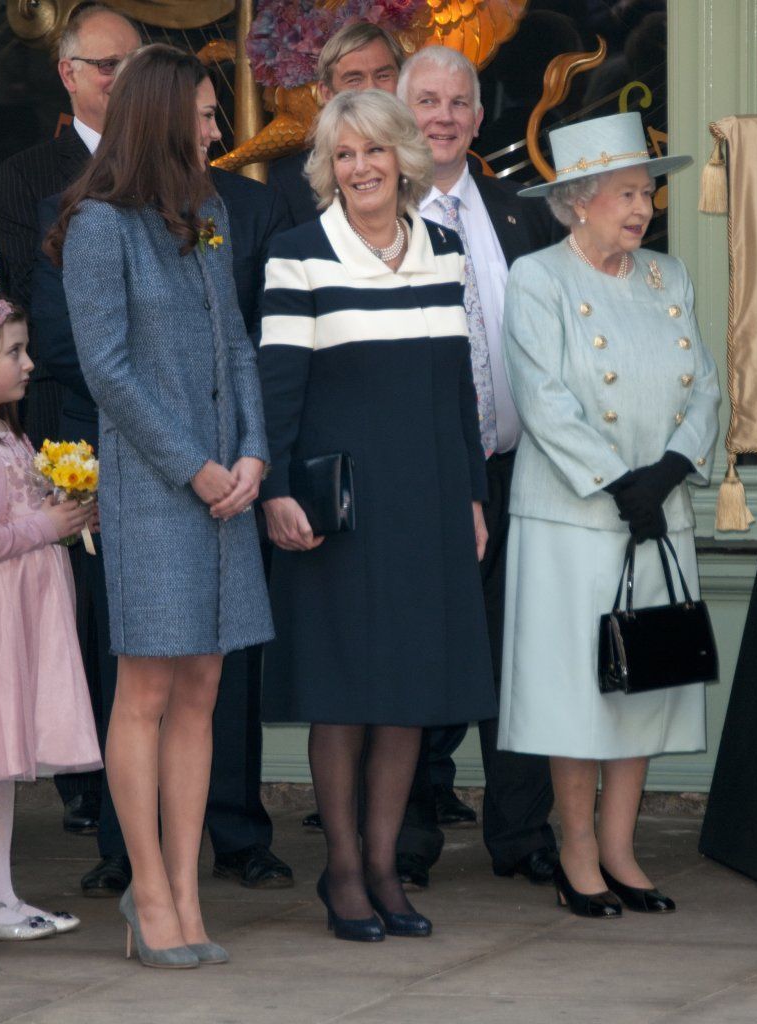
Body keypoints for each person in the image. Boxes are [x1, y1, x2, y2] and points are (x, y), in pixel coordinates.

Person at [47, 45, 272, 967]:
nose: (217, 129)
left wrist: (254, 451)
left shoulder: (208, 209)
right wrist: (195, 468)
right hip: (154, 490)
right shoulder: (100, 225)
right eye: (208, 114)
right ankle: (146, 889)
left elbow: (241, 348)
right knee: (146, 689)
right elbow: (107, 371)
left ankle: (185, 889)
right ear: (163, 113)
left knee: (205, 688)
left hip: (229, 488)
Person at [258, 88, 497, 941]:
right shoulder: (297, 255)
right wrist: (276, 492)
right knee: (345, 697)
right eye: (344, 155)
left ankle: (389, 867)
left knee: (406, 695)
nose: (360, 168)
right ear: (330, 167)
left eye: (373, 151)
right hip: (338, 513)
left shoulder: (442, 249)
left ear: (403, 157)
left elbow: (458, 396)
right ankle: (345, 873)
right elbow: (275, 395)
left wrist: (470, 496)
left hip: (429, 502)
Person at [499, 111, 720, 916]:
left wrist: (665, 472)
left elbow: (705, 386)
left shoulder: (669, 278)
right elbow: (542, 398)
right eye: (627, 193)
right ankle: (576, 849)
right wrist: (614, 482)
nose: (642, 209)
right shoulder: (539, 279)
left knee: (646, 682)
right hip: (574, 516)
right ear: (578, 201)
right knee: (578, 691)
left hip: (657, 512)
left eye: (646, 194)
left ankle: (623, 849)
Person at [395, 45, 560, 889]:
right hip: (421, 479)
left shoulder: (519, 211)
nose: (444, 117)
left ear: (477, 115)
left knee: (519, 654)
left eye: (458, 102)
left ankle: (522, 834)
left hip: (515, 469)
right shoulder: (375, 215)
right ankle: (410, 839)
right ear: (400, 110)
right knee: (427, 654)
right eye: (427, 101)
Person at [0, 3, 140, 837]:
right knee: (77, 605)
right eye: (105, 65)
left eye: (132, 64)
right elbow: (25, 303)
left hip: (153, 429)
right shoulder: (24, 176)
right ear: (68, 74)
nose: (119, 80)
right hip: (63, 416)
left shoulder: (167, 165)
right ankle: (88, 791)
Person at [0, 295, 101, 941]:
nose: (30, 363)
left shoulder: (10, 433)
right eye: (13, 352)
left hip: (19, 614)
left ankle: (1, 894)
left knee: (2, 766)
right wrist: (47, 524)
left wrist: (65, 505)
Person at [267, 21, 406, 227]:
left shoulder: (433, 158)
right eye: (354, 79)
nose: (371, 89)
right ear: (326, 94)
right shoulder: (289, 182)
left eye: (383, 76)